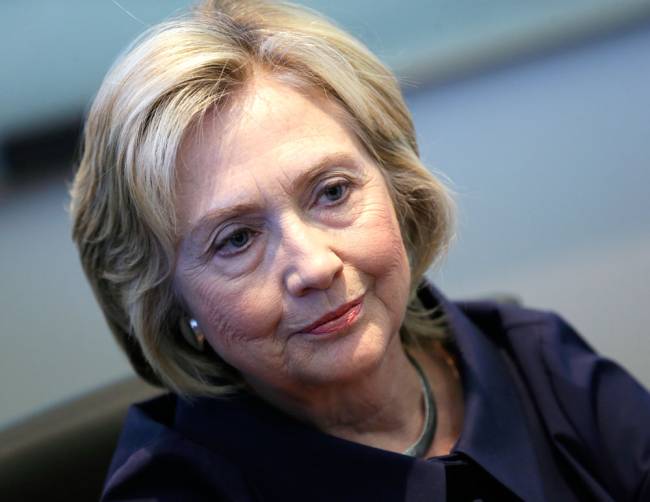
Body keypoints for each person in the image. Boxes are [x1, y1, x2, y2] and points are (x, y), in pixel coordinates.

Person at [70, 1, 650, 500]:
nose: (315, 266)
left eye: (332, 192)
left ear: (398, 187)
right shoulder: (174, 492)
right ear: (168, 301)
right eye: (237, 239)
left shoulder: (535, 361)